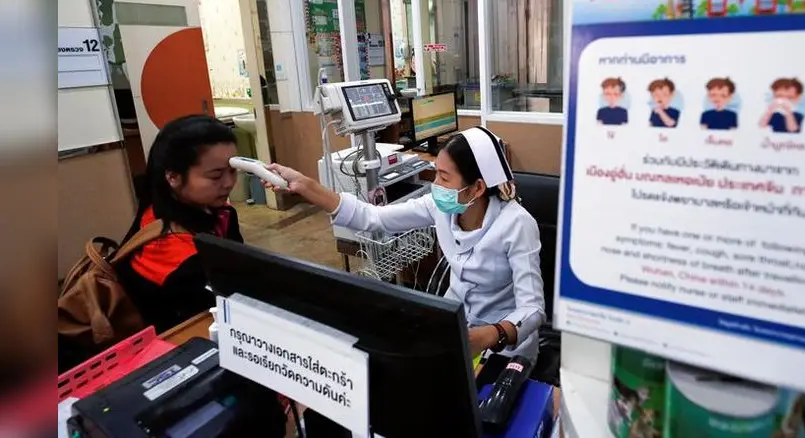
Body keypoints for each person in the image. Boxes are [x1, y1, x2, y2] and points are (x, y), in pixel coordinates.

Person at [267, 126, 547, 364]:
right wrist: (307, 187)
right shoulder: (443, 207)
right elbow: (372, 217)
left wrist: (491, 334)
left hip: (504, 347)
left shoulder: (517, 225)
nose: (435, 185)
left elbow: (533, 309)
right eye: (436, 173)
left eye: (444, 177)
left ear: (477, 187)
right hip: (454, 326)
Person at [117, 115, 244, 333]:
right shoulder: (169, 252)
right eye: (215, 176)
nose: (229, 183)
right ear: (173, 177)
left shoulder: (218, 213)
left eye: (232, 170)